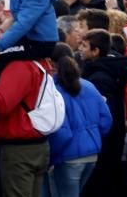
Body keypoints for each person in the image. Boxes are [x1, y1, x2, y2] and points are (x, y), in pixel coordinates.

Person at [0, 59, 50, 197]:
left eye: (3, 35)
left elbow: (2, 104)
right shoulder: (39, 63)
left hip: (20, 147)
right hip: (38, 142)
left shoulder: (19, 66)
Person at [45, 43, 112, 197]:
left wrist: (51, 159)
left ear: (50, 62)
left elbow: (62, 132)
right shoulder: (88, 85)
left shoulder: (53, 90)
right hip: (92, 152)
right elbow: (106, 120)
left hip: (66, 156)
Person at [80, 29, 127, 196]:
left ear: (96, 51)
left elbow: (103, 114)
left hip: (105, 140)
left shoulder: (100, 78)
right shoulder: (104, 69)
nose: (80, 48)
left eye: (84, 46)